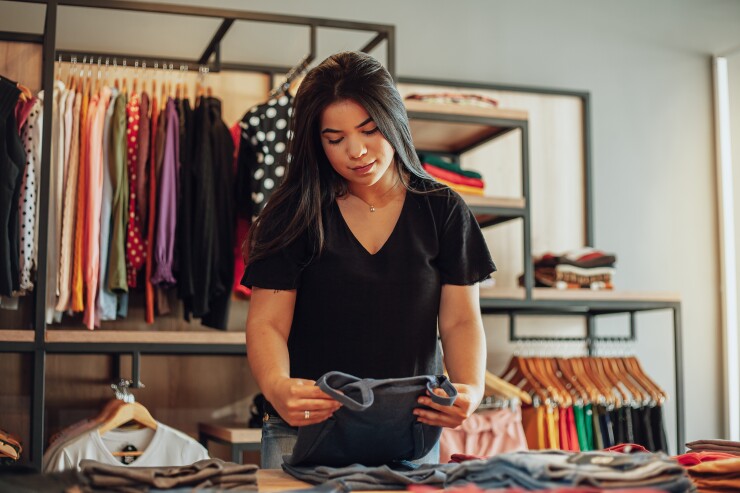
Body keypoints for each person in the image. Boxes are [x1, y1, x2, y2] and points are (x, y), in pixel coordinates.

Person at [242, 51, 496, 469]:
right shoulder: (292, 213)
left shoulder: (443, 210)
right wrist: (276, 385)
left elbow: (460, 321)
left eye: (369, 130)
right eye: (335, 139)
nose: (356, 151)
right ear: (316, 141)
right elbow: (267, 322)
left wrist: (471, 388)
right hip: (304, 428)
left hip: (409, 434)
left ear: (393, 119)